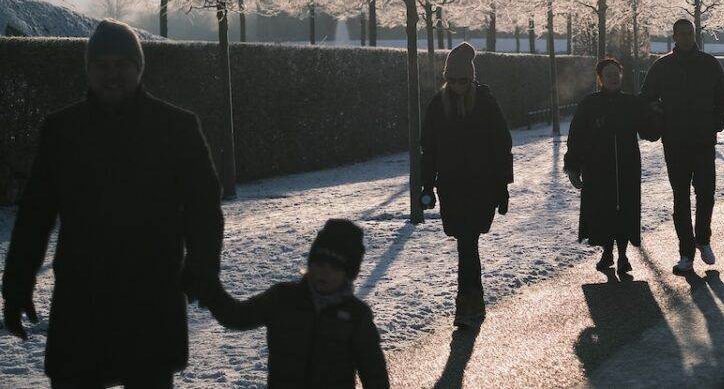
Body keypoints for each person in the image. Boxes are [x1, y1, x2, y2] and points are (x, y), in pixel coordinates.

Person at [2, 20, 224, 388]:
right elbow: (35, 214)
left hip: (150, 295)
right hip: (82, 298)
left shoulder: (176, 128)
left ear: (138, 68)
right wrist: (16, 284)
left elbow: (203, 206)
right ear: (88, 70)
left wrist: (202, 265)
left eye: (121, 64)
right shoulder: (62, 130)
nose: (111, 74)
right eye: (101, 65)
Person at [205, 219, 389, 389]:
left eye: (335, 267)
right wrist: (211, 292)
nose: (324, 272)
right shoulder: (282, 298)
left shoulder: (356, 315)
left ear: (347, 274)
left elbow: (373, 371)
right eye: (319, 263)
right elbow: (238, 316)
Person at [419, 43, 514, 328]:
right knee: (466, 242)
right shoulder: (439, 105)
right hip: (452, 186)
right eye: (453, 81)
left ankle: (467, 300)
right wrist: (427, 186)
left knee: (467, 241)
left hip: (480, 185)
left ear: (471, 79)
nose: (458, 86)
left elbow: (501, 145)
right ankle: (472, 298)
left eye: (463, 81)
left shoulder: (485, 102)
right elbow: (429, 149)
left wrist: (502, 186)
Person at [640, 19, 724, 275]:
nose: (686, 37)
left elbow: (723, 96)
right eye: (682, 34)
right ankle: (686, 252)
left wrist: (717, 123)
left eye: (689, 33)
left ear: (694, 35)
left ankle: (703, 238)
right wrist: (658, 117)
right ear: (674, 36)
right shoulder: (663, 65)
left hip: (703, 139)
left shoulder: (709, 64)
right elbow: (646, 97)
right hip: (675, 141)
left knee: (706, 194)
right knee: (680, 198)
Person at [565, 58, 659, 276]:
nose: (613, 78)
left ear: (621, 75)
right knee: (603, 210)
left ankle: (623, 256)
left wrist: (656, 115)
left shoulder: (632, 103)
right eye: (608, 74)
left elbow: (649, 132)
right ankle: (607, 252)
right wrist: (573, 166)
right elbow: (576, 136)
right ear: (600, 79)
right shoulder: (589, 104)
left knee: (625, 209)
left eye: (616, 73)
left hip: (627, 167)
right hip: (598, 168)